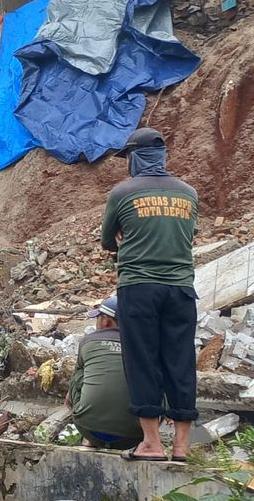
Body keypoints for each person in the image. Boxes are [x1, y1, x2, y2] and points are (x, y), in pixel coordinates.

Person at [101, 127, 199, 462]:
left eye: (128, 157)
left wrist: (125, 238)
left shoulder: (123, 193)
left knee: (143, 360)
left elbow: (106, 240)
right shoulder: (189, 194)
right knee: (181, 360)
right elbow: (188, 236)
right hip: (182, 288)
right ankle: (182, 446)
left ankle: (152, 443)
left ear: (135, 158)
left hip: (139, 287)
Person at [66, 296, 143, 450]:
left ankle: (88, 441)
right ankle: (148, 443)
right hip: (134, 435)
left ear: (106, 321)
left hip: (88, 429)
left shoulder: (88, 341)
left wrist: (71, 397)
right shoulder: (142, 345)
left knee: (80, 374)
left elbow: (72, 392)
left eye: (98, 318)